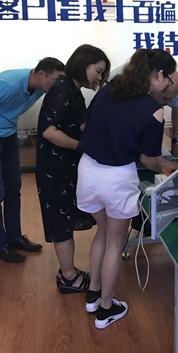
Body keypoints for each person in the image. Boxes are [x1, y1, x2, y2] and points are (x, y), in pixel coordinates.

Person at [76, 48, 178, 329]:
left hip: (87, 170)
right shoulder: (153, 110)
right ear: (159, 75)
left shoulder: (108, 91)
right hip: (117, 178)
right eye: (169, 80)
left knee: (102, 232)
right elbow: (148, 158)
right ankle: (106, 308)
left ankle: (93, 294)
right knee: (115, 243)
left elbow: (84, 126)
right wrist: (169, 167)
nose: (167, 87)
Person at [0, 57, 65, 263]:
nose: (57, 85)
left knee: (13, 187)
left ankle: (14, 237)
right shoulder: (8, 84)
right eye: (56, 80)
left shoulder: (39, 87)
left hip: (8, 134)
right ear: (41, 74)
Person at [35, 45, 110, 293]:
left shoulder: (73, 89)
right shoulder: (62, 88)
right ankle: (68, 277)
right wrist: (82, 146)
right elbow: (49, 131)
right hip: (54, 168)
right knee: (61, 222)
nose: (99, 77)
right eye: (98, 71)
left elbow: (74, 124)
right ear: (83, 64)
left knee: (65, 218)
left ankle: (69, 272)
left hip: (65, 166)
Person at [151, 70, 178, 156]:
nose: (169, 103)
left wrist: (175, 142)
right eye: (166, 98)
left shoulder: (169, 87)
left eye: (171, 99)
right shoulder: (134, 91)